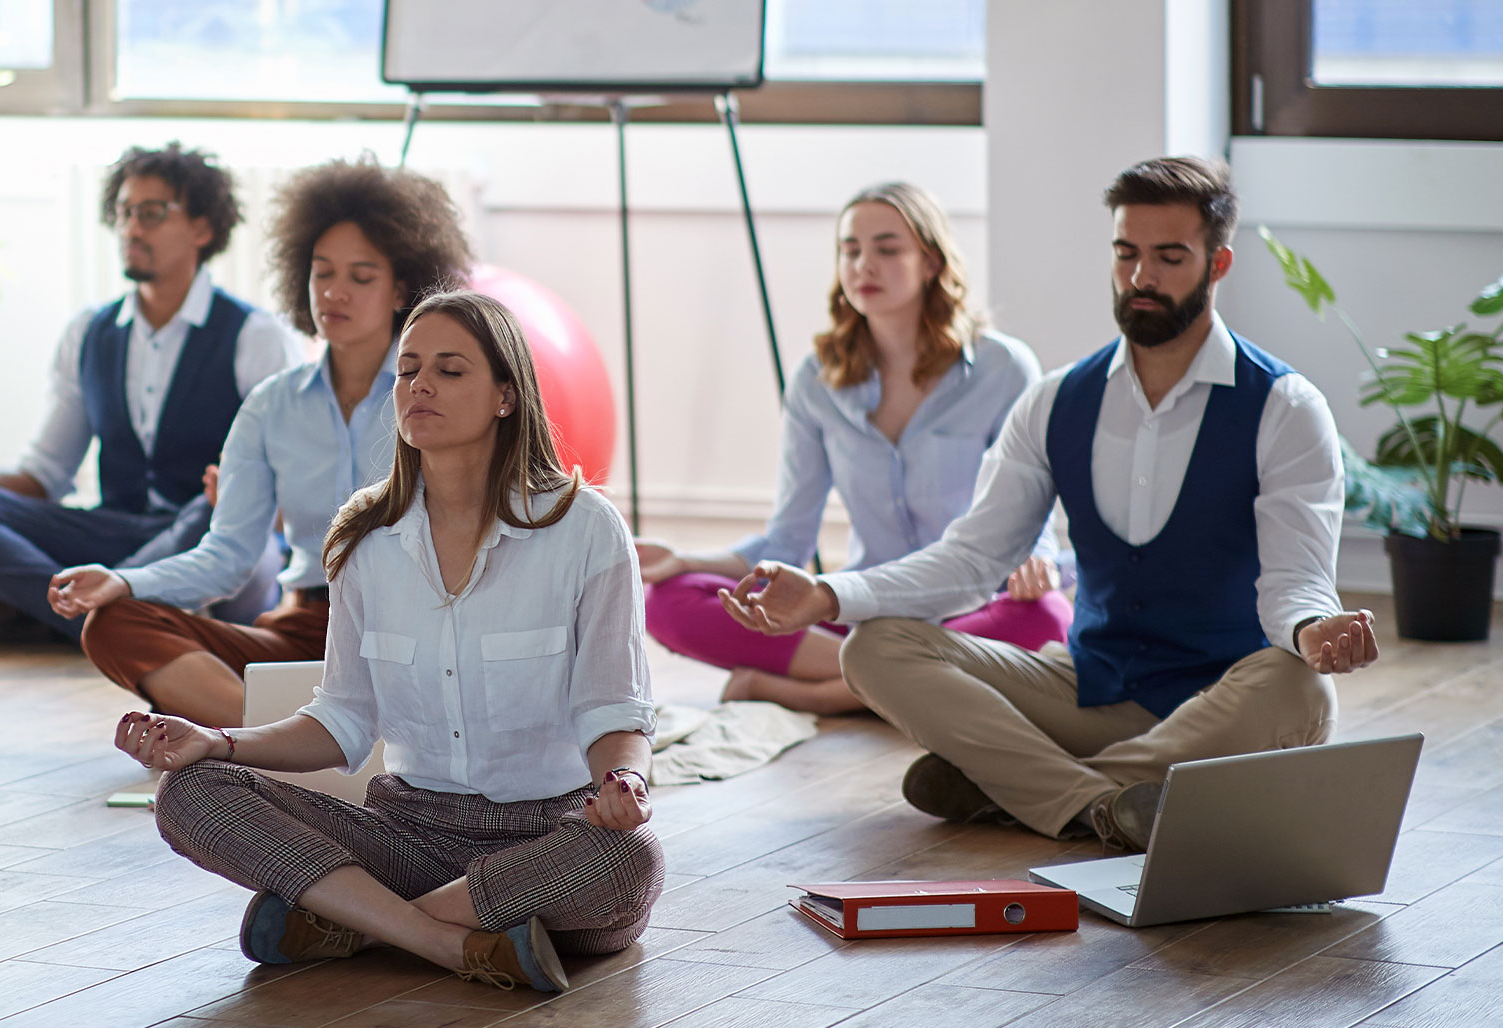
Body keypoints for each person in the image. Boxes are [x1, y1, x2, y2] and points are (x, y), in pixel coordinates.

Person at [720, 157, 1379, 851]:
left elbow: (1295, 580)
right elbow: (973, 558)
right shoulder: (1058, 400)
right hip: (1087, 690)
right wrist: (828, 594)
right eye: (1126, 253)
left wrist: (1313, 629)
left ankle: (1018, 792)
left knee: (1301, 691)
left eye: (1169, 257)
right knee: (876, 645)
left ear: (1218, 265)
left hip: (1219, 701)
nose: (1141, 278)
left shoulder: (1284, 406)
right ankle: (1105, 803)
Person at [117, 291, 663, 993]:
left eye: (450, 370)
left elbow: (614, 708)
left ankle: (359, 924)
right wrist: (215, 741)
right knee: (188, 792)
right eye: (407, 370)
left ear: (506, 395)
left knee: (630, 858)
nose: (419, 386)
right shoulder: (364, 536)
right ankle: (443, 942)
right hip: (409, 836)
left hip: (551, 838)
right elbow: (342, 719)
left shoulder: (584, 527)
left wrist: (628, 781)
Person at [49, 156, 474, 727]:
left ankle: (289, 737)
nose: (335, 294)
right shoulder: (272, 404)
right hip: (306, 629)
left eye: (361, 277)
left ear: (401, 288)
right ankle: (278, 740)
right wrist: (123, 581)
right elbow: (226, 559)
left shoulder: (438, 392)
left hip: (421, 632)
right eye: (322, 273)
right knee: (115, 621)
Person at [636, 182, 1070, 715]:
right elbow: (788, 542)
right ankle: (894, 684)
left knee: (1050, 619)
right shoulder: (817, 381)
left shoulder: (1004, 367)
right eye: (851, 249)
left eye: (888, 249)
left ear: (930, 262)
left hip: (973, 604)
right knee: (669, 599)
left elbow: (1030, 513)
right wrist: (683, 558)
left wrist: (1038, 560)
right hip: (858, 608)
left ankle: (812, 694)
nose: (865, 265)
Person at [0, 142, 304, 644]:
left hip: (205, 535)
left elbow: (286, 491)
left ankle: (57, 610)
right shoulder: (89, 333)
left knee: (222, 515)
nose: (131, 228)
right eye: (123, 213)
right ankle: (96, 614)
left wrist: (235, 495)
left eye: (151, 213)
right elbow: (43, 479)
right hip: (111, 530)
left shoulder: (255, 335)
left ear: (203, 228)